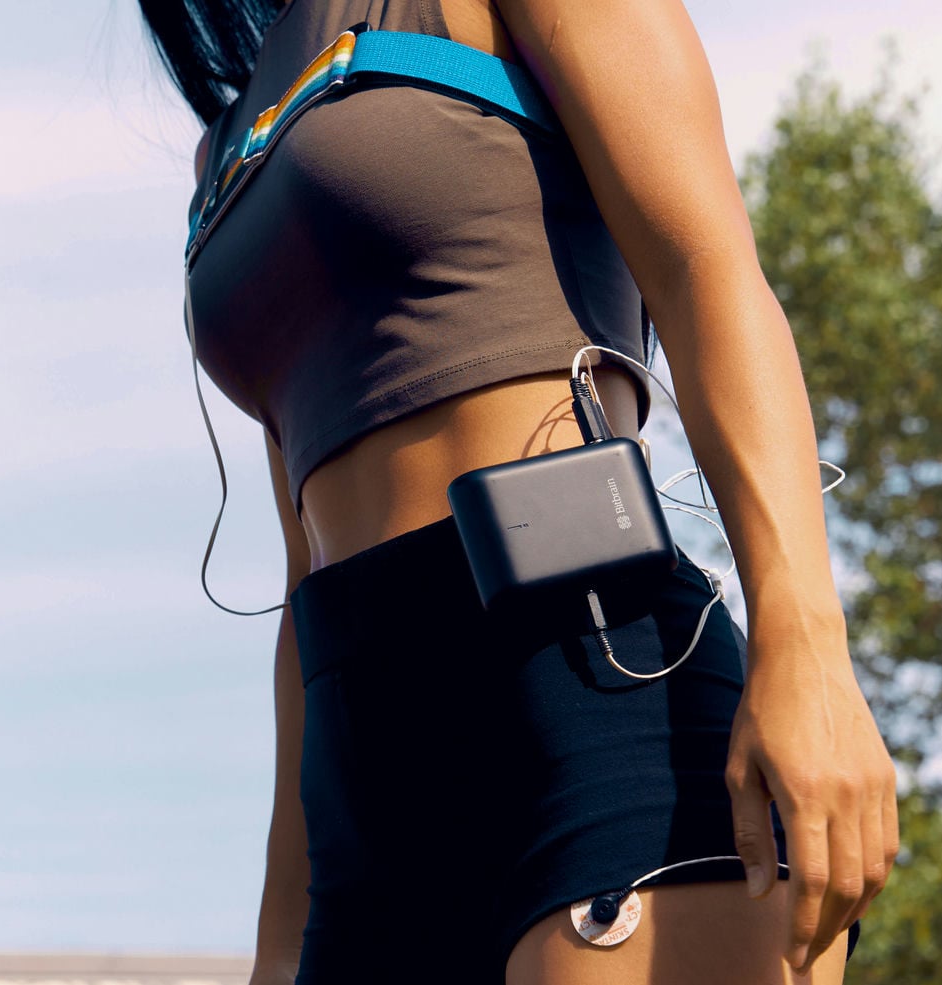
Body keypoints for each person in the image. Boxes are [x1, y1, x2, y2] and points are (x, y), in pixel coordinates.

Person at [140, 1, 899, 982]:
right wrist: (280, 932)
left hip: (596, 695)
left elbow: (707, 271)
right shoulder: (228, 142)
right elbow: (304, 569)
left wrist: (807, 656)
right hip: (362, 792)